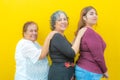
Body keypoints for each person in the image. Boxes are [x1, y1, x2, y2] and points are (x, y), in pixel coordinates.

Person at [48, 10, 87, 80]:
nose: (63, 21)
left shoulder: (61, 36)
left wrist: (76, 37)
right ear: (54, 24)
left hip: (64, 73)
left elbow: (69, 48)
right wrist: (79, 36)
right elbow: (72, 53)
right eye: (59, 20)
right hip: (59, 74)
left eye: (65, 19)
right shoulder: (57, 36)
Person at [75, 6, 109, 80]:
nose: (95, 16)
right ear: (84, 18)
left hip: (84, 70)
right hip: (89, 72)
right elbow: (98, 56)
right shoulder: (89, 32)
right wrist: (105, 70)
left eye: (96, 14)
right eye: (91, 14)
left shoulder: (84, 31)